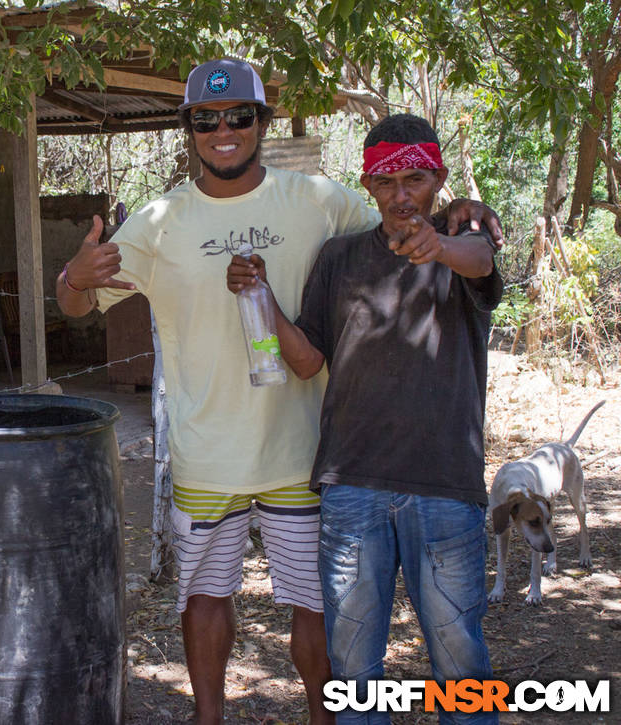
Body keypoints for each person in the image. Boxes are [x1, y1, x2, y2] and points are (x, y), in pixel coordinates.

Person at [56, 57, 500, 725]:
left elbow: (424, 224)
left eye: (239, 116)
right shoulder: (157, 220)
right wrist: (73, 273)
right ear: (189, 130)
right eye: (206, 120)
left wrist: (469, 212)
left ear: (261, 122)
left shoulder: (320, 202)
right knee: (209, 597)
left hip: (306, 449)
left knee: (326, 608)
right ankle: (210, 717)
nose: (223, 131)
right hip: (213, 450)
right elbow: (75, 299)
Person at [226, 113, 501, 724]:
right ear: (368, 187)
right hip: (353, 489)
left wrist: (441, 245)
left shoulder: (464, 250)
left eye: (416, 180)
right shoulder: (341, 258)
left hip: (444, 488)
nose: (402, 196)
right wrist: (263, 299)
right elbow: (305, 362)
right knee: (353, 672)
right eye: (386, 182)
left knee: (461, 664)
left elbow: (481, 261)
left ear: (440, 179)